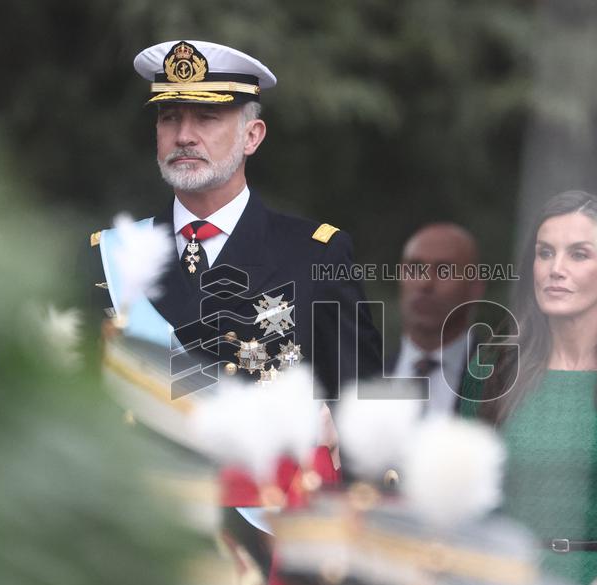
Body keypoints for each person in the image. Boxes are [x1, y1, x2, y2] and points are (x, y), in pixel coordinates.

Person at [89, 39, 382, 397]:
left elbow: (361, 408)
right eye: (170, 118)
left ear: (252, 136)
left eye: (206, 118)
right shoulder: (110, 257)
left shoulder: (316, 256)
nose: (183, 137)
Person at [461, 190, 597, 585]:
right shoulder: (492, 369)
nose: (555, 269)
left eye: (579, 254)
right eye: (545, 253)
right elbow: (464, 506)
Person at [389, 223, 486, 415]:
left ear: (475, 287)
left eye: (444, 271)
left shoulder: (508, 383)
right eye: (415, 268)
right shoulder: (361, 377)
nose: (425, 283)